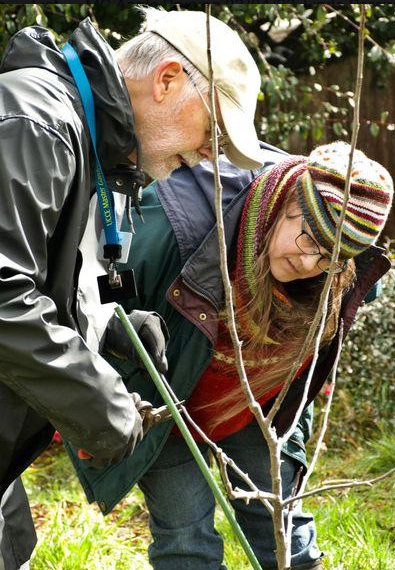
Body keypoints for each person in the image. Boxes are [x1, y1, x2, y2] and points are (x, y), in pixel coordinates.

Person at [0, 7, 264, 569]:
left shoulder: (89, 144)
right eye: (211, 133)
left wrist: (107, 326)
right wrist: (105, 406)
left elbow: (43, 286)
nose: (205, 157)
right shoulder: (36, 121)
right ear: (167, 80)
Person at [68, 142, 393, 570]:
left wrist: (290, 437)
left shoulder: (344, 280)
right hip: (167, 408)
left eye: (329, 258)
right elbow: (88, 305)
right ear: (284, 202)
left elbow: (311, 365)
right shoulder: (173, 226)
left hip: (250, 407)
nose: (308, 260)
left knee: (281, 524)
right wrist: (98, 415)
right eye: (309, 238)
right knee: (187, 541)